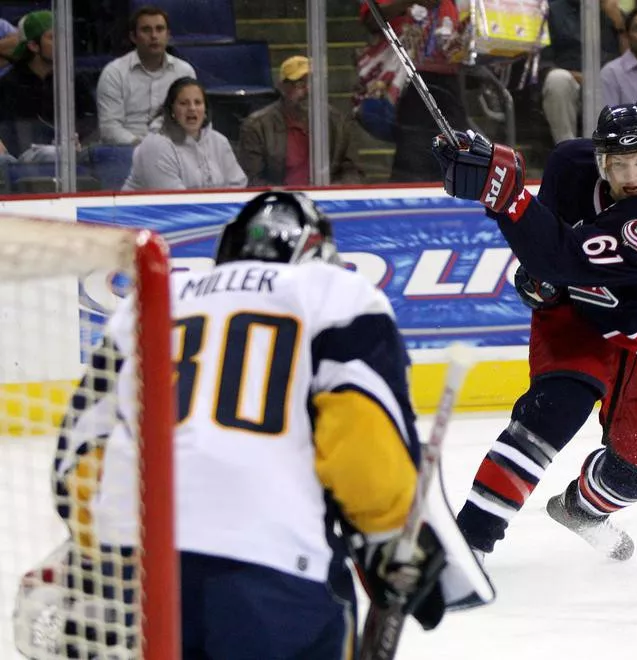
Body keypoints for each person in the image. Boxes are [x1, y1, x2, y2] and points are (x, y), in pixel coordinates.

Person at [12, 191, 493, 658]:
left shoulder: (149, 301)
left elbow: (78, 460)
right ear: (317, 253)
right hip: (272, 576)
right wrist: (391, 539)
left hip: (131, 577)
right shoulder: (335, 293)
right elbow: (363, 449)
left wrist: (106, 550)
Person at [431, 101, 637, 562]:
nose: (631, 175)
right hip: (584, 312)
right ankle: (469, 544)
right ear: (600, 160)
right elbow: (543, 249)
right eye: (619, 163)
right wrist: (538, 281)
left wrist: (505, 197)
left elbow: (559, 254)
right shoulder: (571, 165)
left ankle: (583, 509)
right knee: (552, 413)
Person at [359, 0, 469, 183]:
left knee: (457, 163)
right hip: (408, 81)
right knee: (412, 162)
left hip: (450, 84)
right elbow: (371, 19)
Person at [237, 55, 365, 186]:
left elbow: (353, 170)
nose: (308, 90)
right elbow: (252, 180)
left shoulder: (338, 122)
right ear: (282, 88)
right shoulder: (257, 127)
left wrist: (333, 192)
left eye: (312, 83)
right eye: (300, 84)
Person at [0, 10, 96, 160]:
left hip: (73, 157)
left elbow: (91, 122)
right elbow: (10, 135)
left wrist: (80, 140)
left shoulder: (75, 81)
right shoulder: (7, 85)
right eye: (52, 37)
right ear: (33, 46)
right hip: (26, 163)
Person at [122, 77, 247, 191]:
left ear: (205, 110)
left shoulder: (219, 141)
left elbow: (238, 185)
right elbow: (174, 201)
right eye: (183, 103)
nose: (192, 108)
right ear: (172, 110)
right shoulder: (156, 145)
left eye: (197, 102)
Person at [96, 5, 196, 146]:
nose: (154, 36)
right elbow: (109, 129)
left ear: (168, 35)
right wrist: (145, 148)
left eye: (159, 29)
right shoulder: (114, 73)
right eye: (146, 30)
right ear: (133, 37)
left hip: (173, 150)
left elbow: (192, 119)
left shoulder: (184, 72)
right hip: (126, 151)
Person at [541, 0, 627, 144]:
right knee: (557, 79)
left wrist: (620, 26)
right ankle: (567, 148)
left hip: (607, 83)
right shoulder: (552, 10)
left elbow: (631, 63)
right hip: (571, 80)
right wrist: (582, 77)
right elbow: (544, 63)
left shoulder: (614, 13)